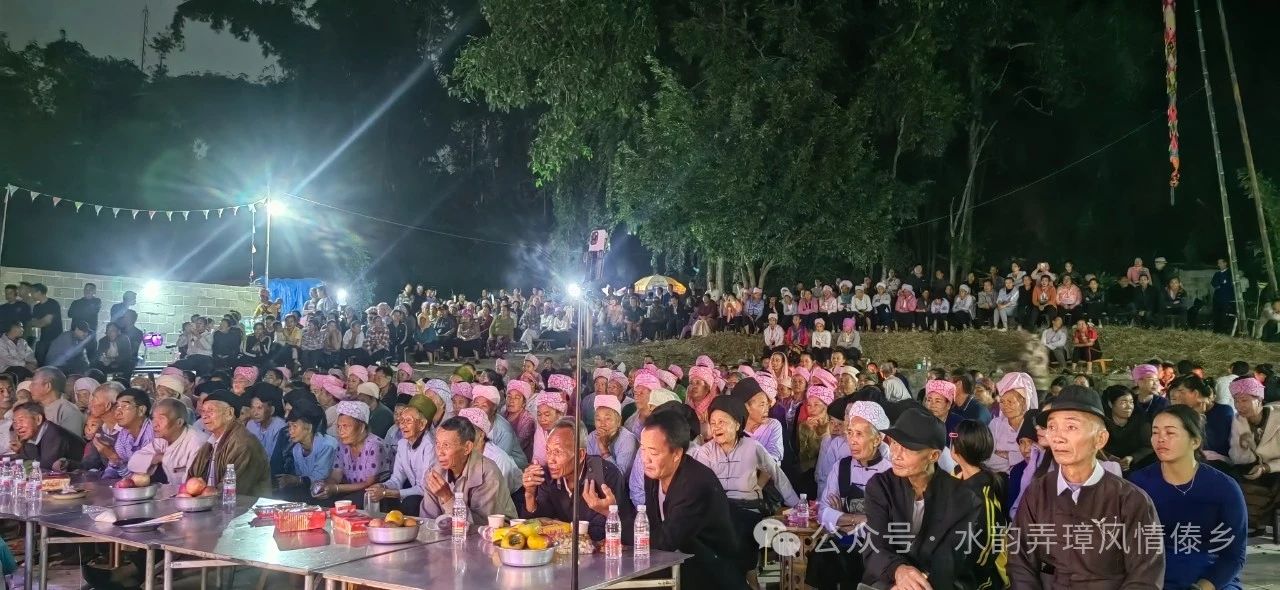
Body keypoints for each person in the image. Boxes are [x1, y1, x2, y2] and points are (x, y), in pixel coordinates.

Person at [1009, 385, 1165, 588]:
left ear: (1100, 439)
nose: (1057, 437)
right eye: (1052, 427)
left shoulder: (1131, 500)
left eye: (1071, 427)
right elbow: (1020, 561)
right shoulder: (1037, 492)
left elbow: (1145, 576)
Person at [861, 406, 984, 589]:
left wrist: (914, 584)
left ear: (933, 455)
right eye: (894, 443)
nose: (896, 454)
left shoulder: (964, 498)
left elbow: (949, 559)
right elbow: (875, 546)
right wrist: (899, 571)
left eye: (907, 448)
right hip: (889, 579)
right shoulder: (881, 486)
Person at [1130, 405, 1246, 590]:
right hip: (1153, 572)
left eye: (1170, 433)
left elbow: (1234, 555)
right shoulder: (1138, 484)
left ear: (1195, 441)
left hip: (1210, 576)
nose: (1160, 439)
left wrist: (1203, 587)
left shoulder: (1224, 487)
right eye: (1155, 432)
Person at [639, 409, 742, 590]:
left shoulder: (696, 483)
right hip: (675, 563)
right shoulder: (654, 474)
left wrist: (613, 517)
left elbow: (666, 540)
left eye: (653, 453)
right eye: (642, 449)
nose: (645, 459)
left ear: (677, 454)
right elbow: (652, 526)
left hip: (710, 572)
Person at [807, 401, 891, 590]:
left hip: (875, 548)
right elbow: (824, 512)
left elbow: (885, 524)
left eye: (859, 434)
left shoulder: (889, 473)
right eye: (850, 432)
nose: (851, 440)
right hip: (842, 542)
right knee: (822, 556)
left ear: (877, 439)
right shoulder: (841, 467)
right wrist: (857, 518)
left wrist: (841, 517)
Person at [520, 418, 629, 541]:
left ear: (580, 455)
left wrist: (607, 513)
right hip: (560, 549)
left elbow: (608, 533)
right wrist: (530, 495)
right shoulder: (546, 476)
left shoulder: (606, 475)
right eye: (548, 451)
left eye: (557, 452)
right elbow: (537, 529)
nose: (550, 459)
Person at [420, 416, 517, 522]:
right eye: (438, 444)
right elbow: (428, 520)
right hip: (450, 529)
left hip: (498, 529)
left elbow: (481, 524)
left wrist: (447, 497)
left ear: (467, 448)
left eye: (446, 445)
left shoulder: (488, 472)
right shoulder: (435, 472)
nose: (440, 452)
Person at [949, 419, 1008, 590]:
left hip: (982, 577)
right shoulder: (956, 473)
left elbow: (985, 555)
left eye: (953, 437)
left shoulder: (983, 499)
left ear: (957, 448)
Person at [187, 390, 272, 497]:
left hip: (244, 506)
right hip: (212, 504)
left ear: (229, 413)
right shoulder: (210, 443)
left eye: (211, 410)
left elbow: (230, 491)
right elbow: (191, 479)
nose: (204, 416)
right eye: (203, 411)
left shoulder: (243, 444)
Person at [367, 394, 437, 515]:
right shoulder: (402, 444)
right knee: (380, 496)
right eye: (401, 420)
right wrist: (382, 486)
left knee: (411, 502)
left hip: (431, 497)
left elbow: (424, 488)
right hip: (413, 492)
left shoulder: (430, 446)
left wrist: (387, 493)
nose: (402, 425)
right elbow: (396, 479)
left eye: (408, 421)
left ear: (422, 424)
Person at [316, 400, 388, 506]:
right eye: (339, 426)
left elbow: (369, 483)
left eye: (346, 426)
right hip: (351, 490)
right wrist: (326, 487)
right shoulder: (342, 444)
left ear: (361, 427)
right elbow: (336, 474)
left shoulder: (375, 446)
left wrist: (336, 488)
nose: (341, 431)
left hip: (374, 494)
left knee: (350, 502)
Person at [127, 398, 209, 485]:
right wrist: (157, 458)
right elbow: (132, 463)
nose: (154, 424)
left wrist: (165, 458)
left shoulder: (197, 443)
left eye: (161, 419)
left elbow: (191, 484)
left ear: (179, 422)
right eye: (153, 418)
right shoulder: (162, 439)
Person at [1168, 374, 1235, 469]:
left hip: (1217, 464)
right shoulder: (1183, 412)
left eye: (1182, 392)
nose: (1178, 399)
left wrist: (1199, 417)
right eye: (1173, 398)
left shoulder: (1223, 411)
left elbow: (1213, 446)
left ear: (1195, 394)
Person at [987, 372, 1037, 473]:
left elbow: (1034, 456)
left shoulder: (1033, 425)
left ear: (1024, 403)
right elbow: (987, 458)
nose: (1005, 406)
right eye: (1002, 401)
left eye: (1010, 401)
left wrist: (1008, 455)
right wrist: (1014, 463)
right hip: (997, 478)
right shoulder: (995, 424)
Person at [12, 401, 83, 470]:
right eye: (14, 422)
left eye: (21, 420)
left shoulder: (55, 435)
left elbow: (46, 468)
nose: (17, 427)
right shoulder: (31, 437)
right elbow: (22, 461)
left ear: (38, 419)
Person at [101, 388, 155, 478]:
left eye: (124, 406)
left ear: (141, 410)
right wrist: (106, 479)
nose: (117, 413)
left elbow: (141, 478)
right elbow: (112, 468)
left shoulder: (152, 435)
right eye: (117, 407)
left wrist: (115, 459)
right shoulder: (124, 433)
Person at [1101, 385, 1153, 474]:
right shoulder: (1102, 421)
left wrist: (1132, 457)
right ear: (1110, 404)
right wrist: (1110, 458)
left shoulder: (1141, 420)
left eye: (1131, 402)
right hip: (1106, 466)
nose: (1129, 406)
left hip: (1137, 467)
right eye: (1123, 402)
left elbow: (1149, 446)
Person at [587, 394, 638, 478]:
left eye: (608, 419)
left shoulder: (628, 440)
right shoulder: (592, 437)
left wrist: (604, 449)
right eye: (598, 419)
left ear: (618, 421)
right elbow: (589, 468)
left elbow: (619, 477)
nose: (602, 424)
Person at [246, 384, 289, 475]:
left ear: (272, 410)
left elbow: (276, 460)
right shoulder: (250, 425)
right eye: (252, 407)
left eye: (260, 408)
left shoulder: (280, 427)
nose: (255, 413)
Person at [30, 366, 84, 436]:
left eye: (34, 383)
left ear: (47, 386)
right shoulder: (34, 409)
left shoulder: (69, 411)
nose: (30, 387)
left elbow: (69, 441)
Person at [29, 283, 63, 365]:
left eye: (32, 292)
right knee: (40, 363)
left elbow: (46, 322)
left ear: (39, 292)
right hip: (43, 339)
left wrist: (40, 322)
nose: (31, 294)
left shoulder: (53, 303)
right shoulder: (36, 307)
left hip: (56, 339)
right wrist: (40, 322)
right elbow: (33, 323)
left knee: (53, 364)